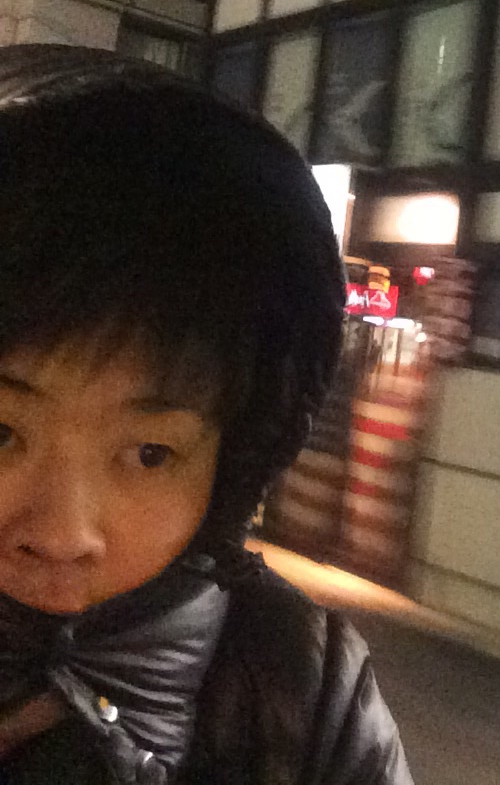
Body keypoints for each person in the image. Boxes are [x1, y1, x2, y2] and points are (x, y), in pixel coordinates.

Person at [0, 44, 413, 784]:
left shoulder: (299, 688)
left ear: (235, 453)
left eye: (150, 453)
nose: (65, 535)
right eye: (2, 432)